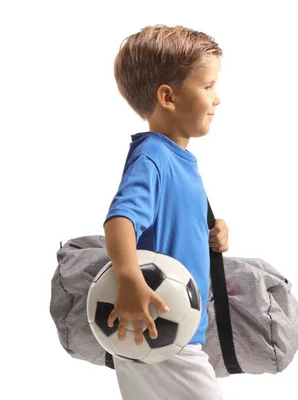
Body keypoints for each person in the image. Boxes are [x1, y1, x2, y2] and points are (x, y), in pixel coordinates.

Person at [102, 24, 230, 400]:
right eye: (207, 86)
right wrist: (128, 279)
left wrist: (213, 230)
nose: (216, 98)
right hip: (162, 331)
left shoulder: (178, 159)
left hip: (166, 332)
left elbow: (171, 226)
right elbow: (120, 219)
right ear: (168, 97)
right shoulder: (153, 157)